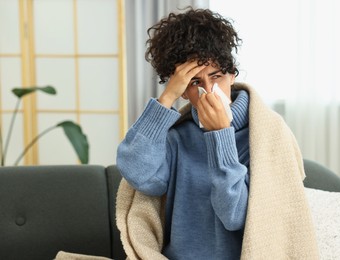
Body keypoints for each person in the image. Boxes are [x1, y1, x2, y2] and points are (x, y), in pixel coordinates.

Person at [116, 6, 319, 260]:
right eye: (195, 83)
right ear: (183, 91)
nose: (210, 91)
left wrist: (221, 135)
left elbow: (235, 216)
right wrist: (167, 97)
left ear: (232, 75)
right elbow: (138, 174)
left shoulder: (266, 136)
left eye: (217, 77)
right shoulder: (177, 137)